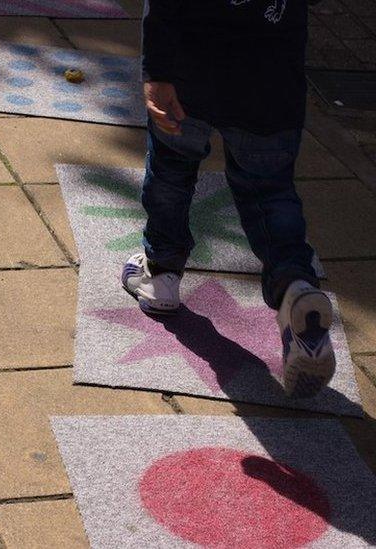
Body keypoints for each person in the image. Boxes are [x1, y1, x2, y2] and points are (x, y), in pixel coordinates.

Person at [122, 0, 336, 398]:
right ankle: (296, 288)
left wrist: (158, 73)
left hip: (190, 75)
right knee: (271, 193)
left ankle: (162, 274)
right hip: (271, 86)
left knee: (171, 171)